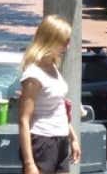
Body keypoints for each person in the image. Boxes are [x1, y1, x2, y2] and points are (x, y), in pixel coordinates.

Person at [19, 15, 80, 174]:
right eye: (64, 41)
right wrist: (29, 164)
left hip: (60, 138)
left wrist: (73, 137)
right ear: (51, 40)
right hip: (42, 141)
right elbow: (24, 120)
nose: (67, 46)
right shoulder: (33, 74)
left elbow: (58, 106)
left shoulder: (52, 67)